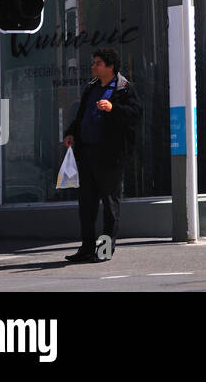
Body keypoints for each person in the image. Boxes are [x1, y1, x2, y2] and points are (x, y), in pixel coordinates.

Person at [62, 48, 142, 263]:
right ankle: (87, 249)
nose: (93, 66)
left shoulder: (124, 89)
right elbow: (82, 116)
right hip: (87, 154)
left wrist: (112, 108)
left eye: (98, 63)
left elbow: (135, 115)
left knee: (109, 205)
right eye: (94, 62)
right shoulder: (91, 88)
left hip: (110, 157)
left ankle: (105, 250)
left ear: (110, 67)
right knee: (86, 205)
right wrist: (70, 132)